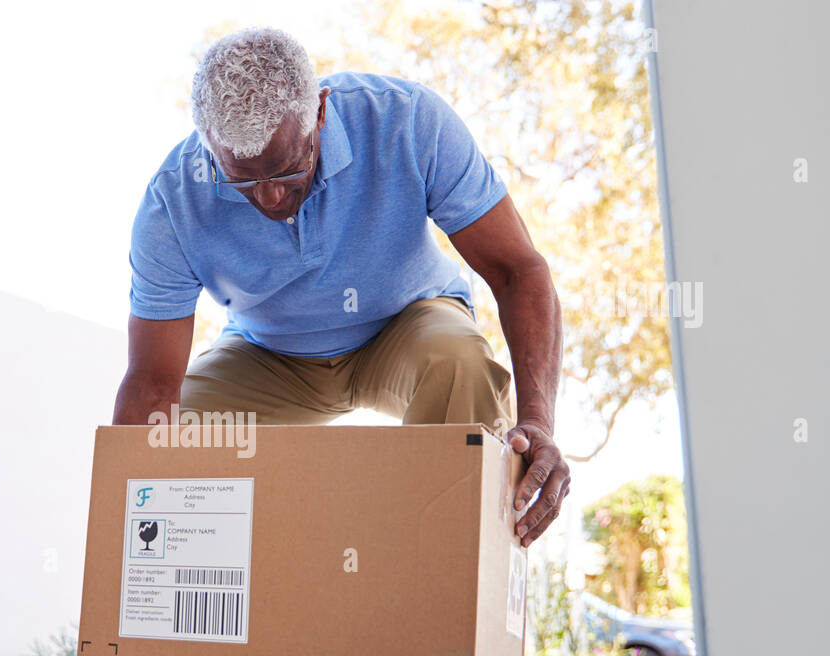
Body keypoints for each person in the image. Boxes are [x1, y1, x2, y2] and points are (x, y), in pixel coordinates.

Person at [114, 27, 569, 546]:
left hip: (406, 321)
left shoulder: (407, 121)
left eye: (290, 170)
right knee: (172, 439)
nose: (270, 198)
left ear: (321, 113)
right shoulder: (171, 203)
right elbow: (151, 386)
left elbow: (518, 271)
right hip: (271, 353)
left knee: (459, 363)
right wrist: (121, 533)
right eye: (242, 180)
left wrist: (538, 422)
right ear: (209, 146)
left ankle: (442, 587)